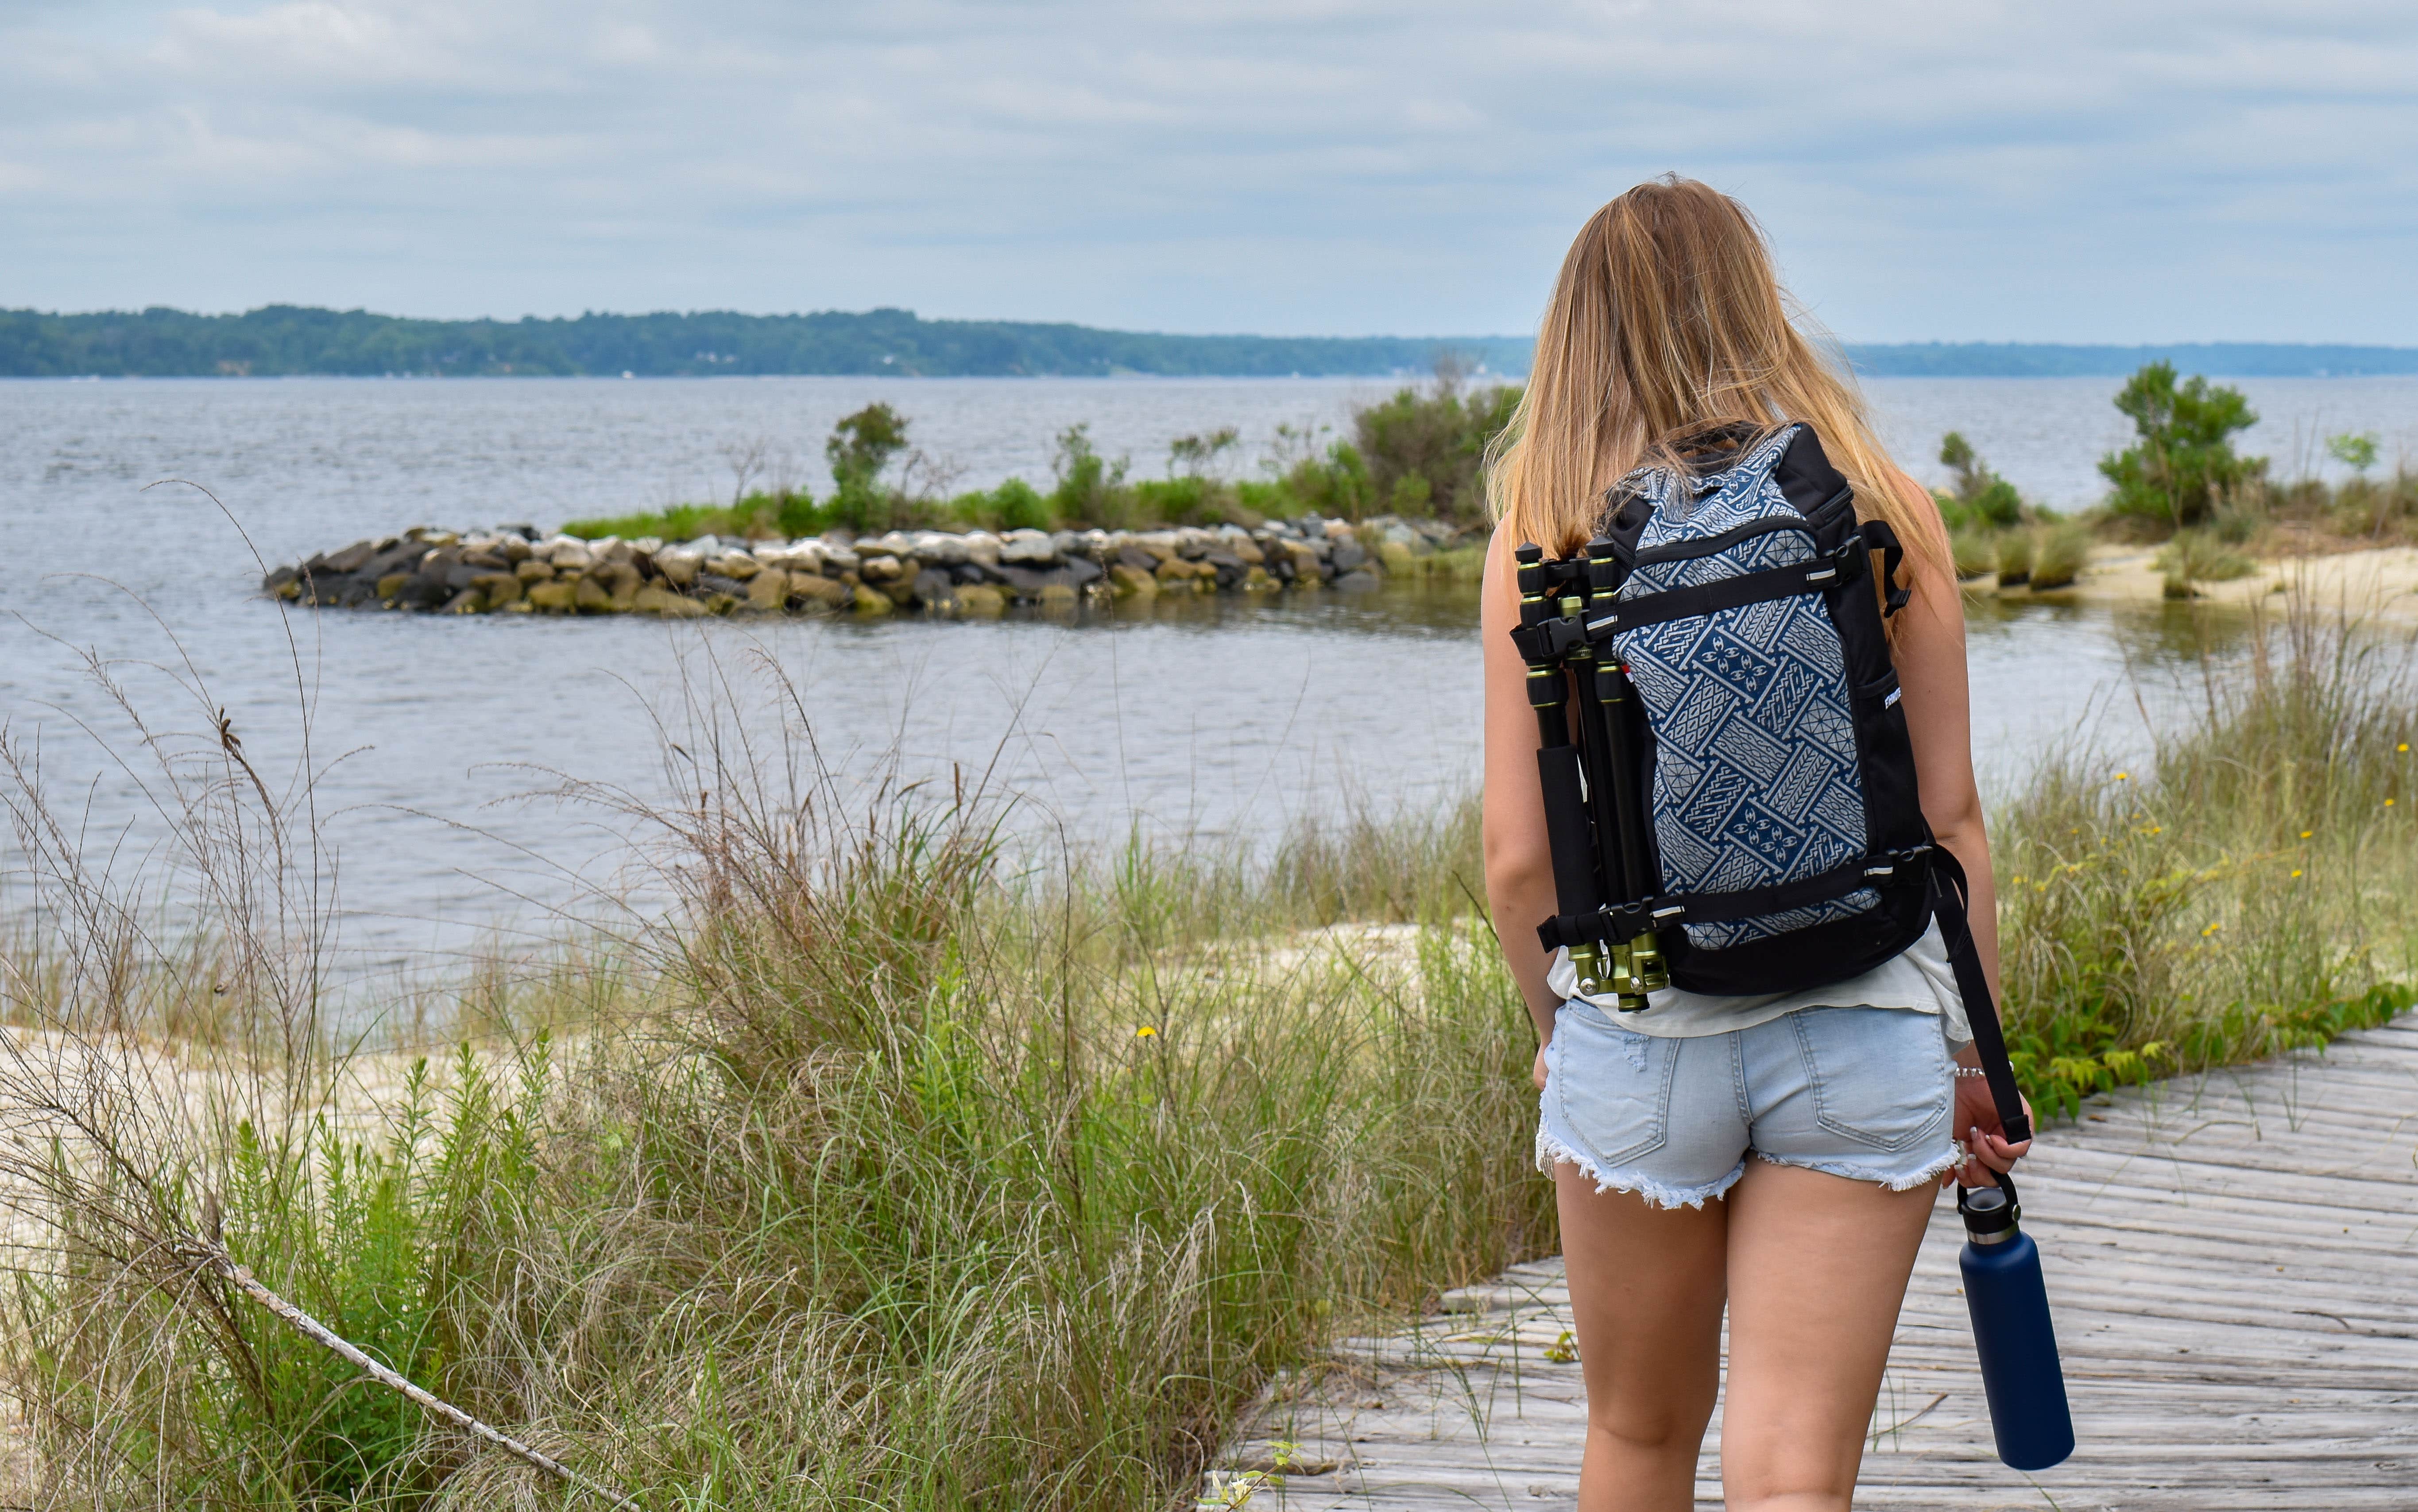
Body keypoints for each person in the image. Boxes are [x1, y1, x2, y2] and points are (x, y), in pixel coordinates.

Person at [1479, 175, 2034, 1512]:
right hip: (1866, 1019)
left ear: (1581, 330)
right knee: (1794, 1477)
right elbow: (1951, 821)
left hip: (1642, 1035)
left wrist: (1564, 1035)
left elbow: (1514, 863)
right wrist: (1979, 1054)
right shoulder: (1882, 504)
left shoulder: (1543, 531)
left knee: (1640, 1438)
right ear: (1757, 302)